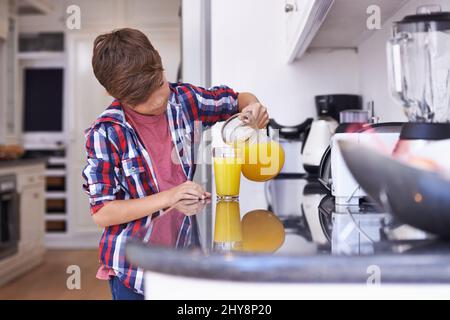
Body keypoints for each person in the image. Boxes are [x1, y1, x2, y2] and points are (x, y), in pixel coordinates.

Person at [82, 28, 269, 300]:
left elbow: (238, 99)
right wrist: (170, 197)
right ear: (116, 94)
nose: (158, 100)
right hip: (133, 272)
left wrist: (253, 107)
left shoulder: (184, 101)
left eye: (159, 84)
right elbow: (103, 212)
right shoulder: (106, 133)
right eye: (142, 100)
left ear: (159, 61)